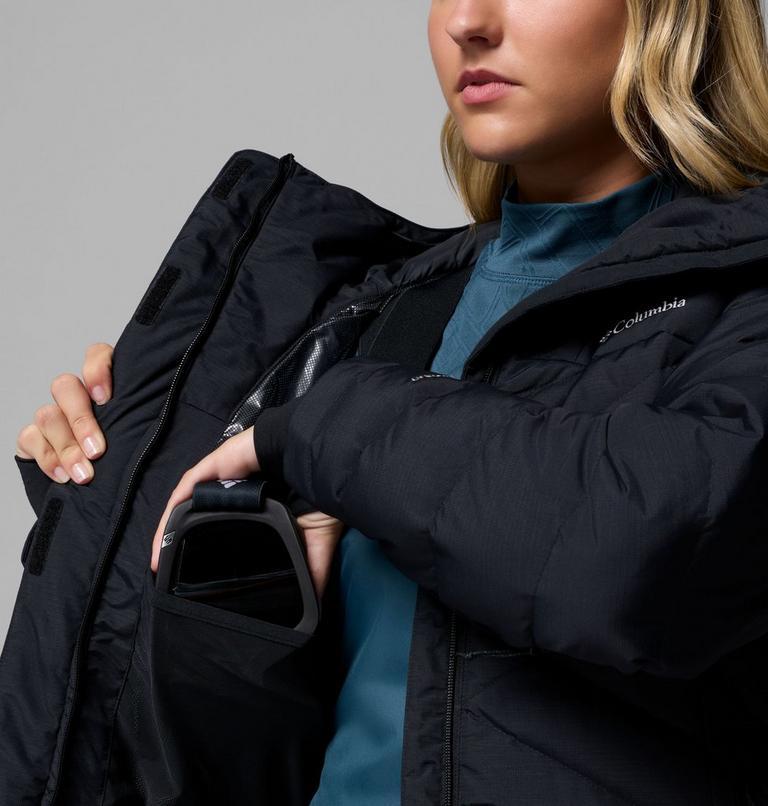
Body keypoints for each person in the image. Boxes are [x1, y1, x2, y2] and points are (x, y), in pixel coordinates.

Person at [15, 0, 768, 803]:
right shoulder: (377, 316)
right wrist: (116, 483)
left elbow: (642, 553)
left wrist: (328, 428)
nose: (468, 22)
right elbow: (221, 748)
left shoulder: (744, 290)